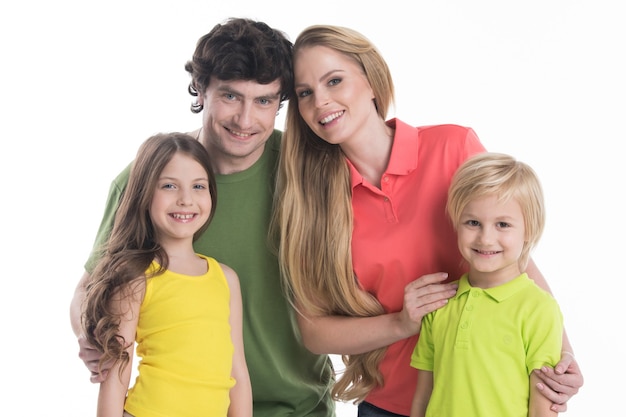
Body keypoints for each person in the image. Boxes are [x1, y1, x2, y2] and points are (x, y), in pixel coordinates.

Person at [272, 24, 583, 416]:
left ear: (371, 80)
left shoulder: (453, 148)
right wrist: (402, 322)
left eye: (334, 80)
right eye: (305, 93)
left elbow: (518, 262)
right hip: (389, 405)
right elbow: (315, 332)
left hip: (490, 402)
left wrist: (563, 358)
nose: (321, 102)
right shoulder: (311, 202)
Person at [70, 18, 335, 417]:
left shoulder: (305, 167)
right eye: (230, 96)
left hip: (301, 406)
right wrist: (91, 337)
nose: (245, 120)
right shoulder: (145, 181)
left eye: (264, 101)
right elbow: (90, 290)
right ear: (201, 88)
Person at [82, 133, 251, 417]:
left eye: (199, 186)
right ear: (145, 194)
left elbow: (238, 373)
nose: (186, 199)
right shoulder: (136, 277)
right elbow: (116, 374)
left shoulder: (226, 279)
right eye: (169, 186)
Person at [409, 152, 563, 417]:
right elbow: (423, 398)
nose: (486, 238)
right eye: (473, 223)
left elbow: (543, 409)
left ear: (530, 230)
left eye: (503, 224)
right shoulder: (439, 304)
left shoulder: (539, 309)